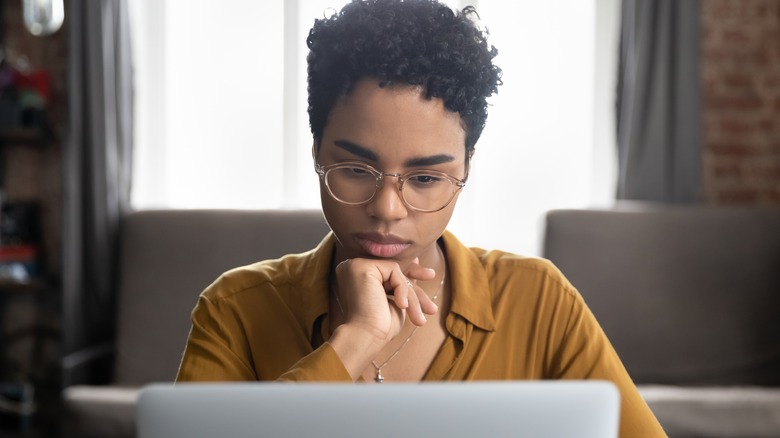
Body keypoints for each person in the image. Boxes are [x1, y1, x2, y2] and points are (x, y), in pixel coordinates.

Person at [176, 0, 665, 435]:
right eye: (355, 170)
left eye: (426, 178)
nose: (387, 209)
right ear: (316, 152)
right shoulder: (235, 310)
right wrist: (356, 340)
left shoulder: (539, 301)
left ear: (466, 167)